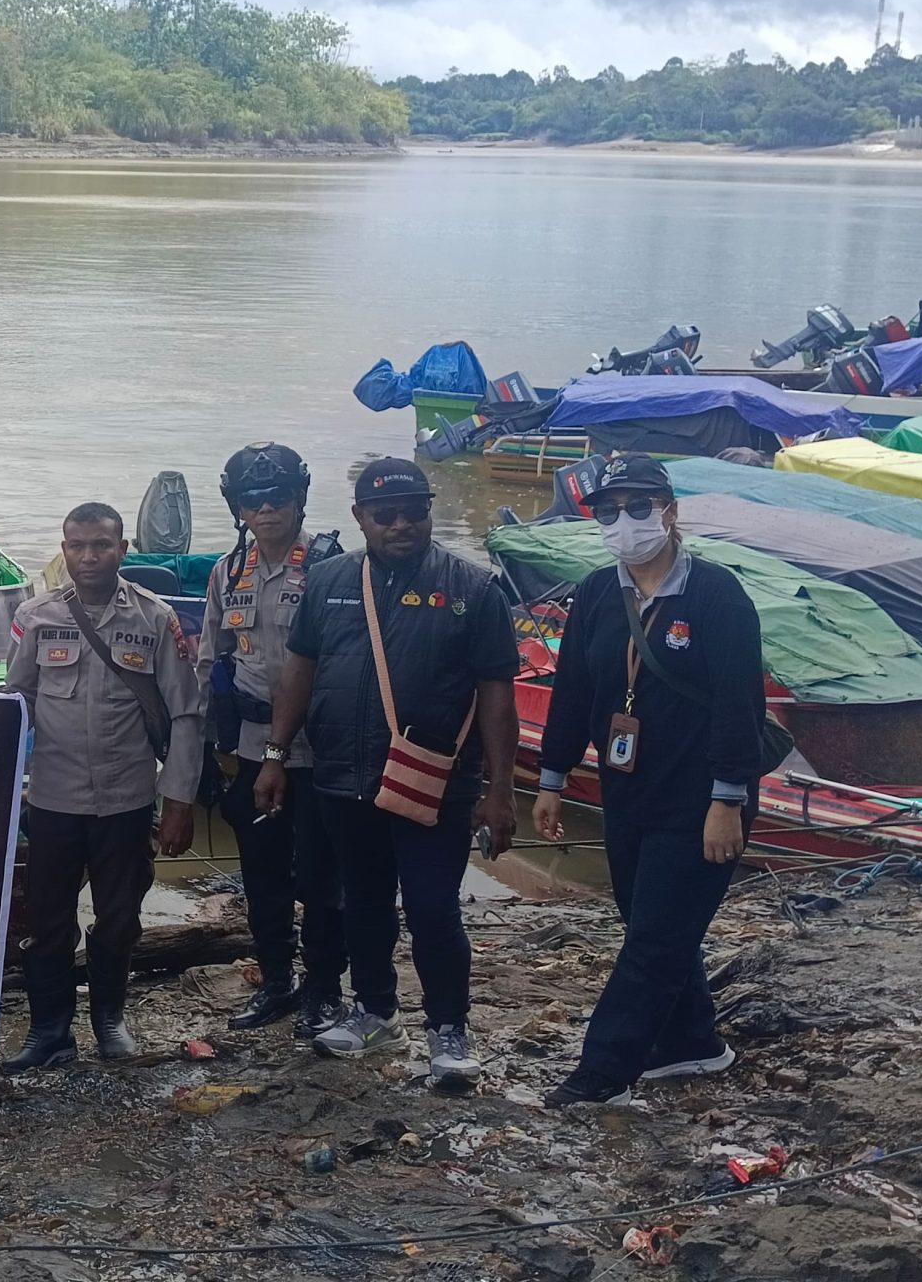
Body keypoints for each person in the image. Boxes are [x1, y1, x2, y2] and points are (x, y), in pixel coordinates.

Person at [259, 458, 518, 1088]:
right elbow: (300, 669)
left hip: (434, 780)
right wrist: (275, 754)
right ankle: (375, 1012)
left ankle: (448, 1029)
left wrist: (500, 789)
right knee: (362, 902)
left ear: (429, 511)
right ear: (359, 518)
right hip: (344, 776)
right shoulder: (327, 580)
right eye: (385, 514)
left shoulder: (474, 588)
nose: (400, 524)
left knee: (432, 908)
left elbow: (497, 693)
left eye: (414, 511)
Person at [532, 454, 762, 1107]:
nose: (624, 522)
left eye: (639, 507)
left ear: (670, 511)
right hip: (628, 791)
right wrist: (551, 778)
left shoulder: (716, 594)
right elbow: (574, 691)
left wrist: (728, 800)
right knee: (652, 926)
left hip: (700, 799)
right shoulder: (597, 593)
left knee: (656, 938)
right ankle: (692, 1043)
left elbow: (740, 704)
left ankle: (603, 1072)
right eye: (609, 511)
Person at [1, 503, 205, 1070]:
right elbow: (15, 705)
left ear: (122, 549)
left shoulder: (155, 618)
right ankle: (49, 1032)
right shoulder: (35, 616)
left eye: (101, 545)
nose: (88, 556)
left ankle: (110, 1022)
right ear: (64, 549)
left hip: (126, 801)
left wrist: (179, 802)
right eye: (77, 546)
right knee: (47, 921)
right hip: (52, 800)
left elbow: (186, 714)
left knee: (119, 919)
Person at [198, 444, 346, 1038]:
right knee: (261, 875)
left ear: (300, 498)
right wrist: (205, 749)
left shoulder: (333, 567)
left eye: (277, 496)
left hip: (320, 749)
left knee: (323, 879)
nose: (265, 509)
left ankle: (325, 989)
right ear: (237, 507)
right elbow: (211, 661)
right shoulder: (227, 572)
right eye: (251, 500)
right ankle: (277, 982)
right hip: (252, 748)